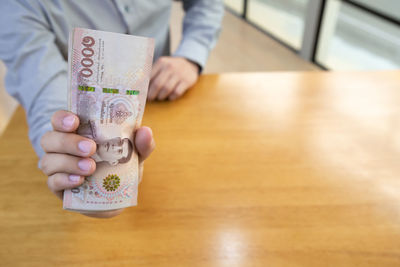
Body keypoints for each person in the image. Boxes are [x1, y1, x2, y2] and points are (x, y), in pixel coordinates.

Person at [0, 0, 224, 218]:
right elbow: (43, 87)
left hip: (164, 100)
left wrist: (190, 55)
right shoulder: (15, 6)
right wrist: (67, 152)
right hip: (96, 137)